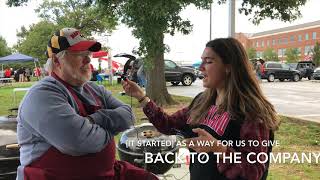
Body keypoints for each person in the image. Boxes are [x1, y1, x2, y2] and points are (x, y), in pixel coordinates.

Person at [122, 38, 280, 180]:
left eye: (209, 61)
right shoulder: (202, 101)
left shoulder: (252, 112)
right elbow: (168, 124)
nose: (201, 67)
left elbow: (253, 171)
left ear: (228, 67)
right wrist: (141, 97)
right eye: (201, 61)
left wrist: (218, 148)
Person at [17, 27, 158, 180]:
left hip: (107, 173)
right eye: (79, 54)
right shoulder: (42, 95)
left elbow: (128, 116)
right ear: (57, 61)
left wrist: (94, 120)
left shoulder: (95, 89)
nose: (89, 59)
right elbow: (79, 142)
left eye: (88, 54)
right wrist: (111, 128)